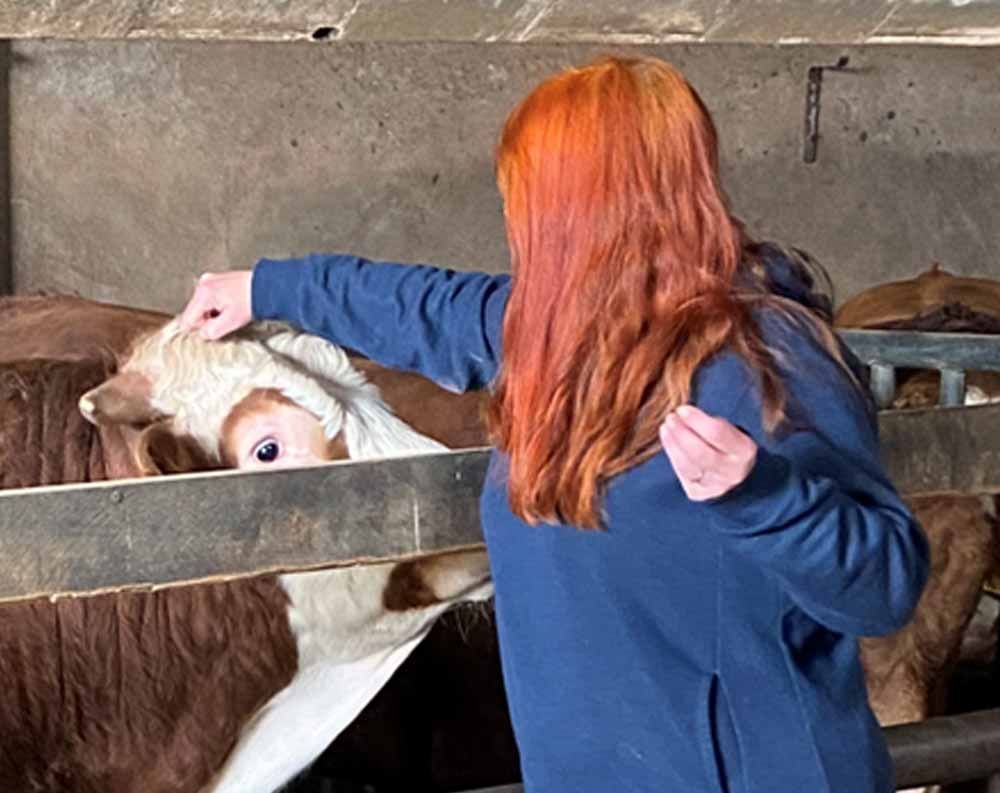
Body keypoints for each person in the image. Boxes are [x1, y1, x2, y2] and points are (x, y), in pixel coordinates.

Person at [180, 56, 929, 793]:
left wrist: (763, 498)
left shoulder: (770, 360)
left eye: (528, 196)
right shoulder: (555, 328)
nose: (518, 220)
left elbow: (884, 587)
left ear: (586, 207)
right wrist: (266, 287)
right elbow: (421, 306)